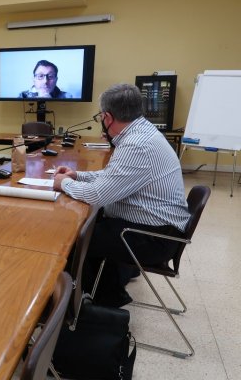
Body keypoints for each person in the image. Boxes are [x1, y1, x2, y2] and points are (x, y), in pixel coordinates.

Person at [53, 83, 190, 307]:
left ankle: (82, 307)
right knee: (91, 224)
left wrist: (64, 183)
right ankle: (107, 292)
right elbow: (112, 176)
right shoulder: (141, 132)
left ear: (107, 117)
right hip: (157, 229)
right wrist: (77, 176)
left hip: (153, 238)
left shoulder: (137, 145)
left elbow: (97, 196)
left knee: (72, 239)